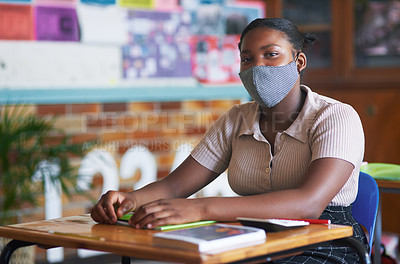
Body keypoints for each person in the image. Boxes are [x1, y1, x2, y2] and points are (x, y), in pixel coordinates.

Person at [91, 18, 367, 263]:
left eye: (271, 54)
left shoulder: (335, 116)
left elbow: (308, 203)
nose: (258, 67)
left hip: (326, 240)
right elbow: (175, 186)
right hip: (253, 237)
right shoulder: (236, 119)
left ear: (299, 62)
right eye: (247, 59)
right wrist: (128, 200)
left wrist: (200, 208)